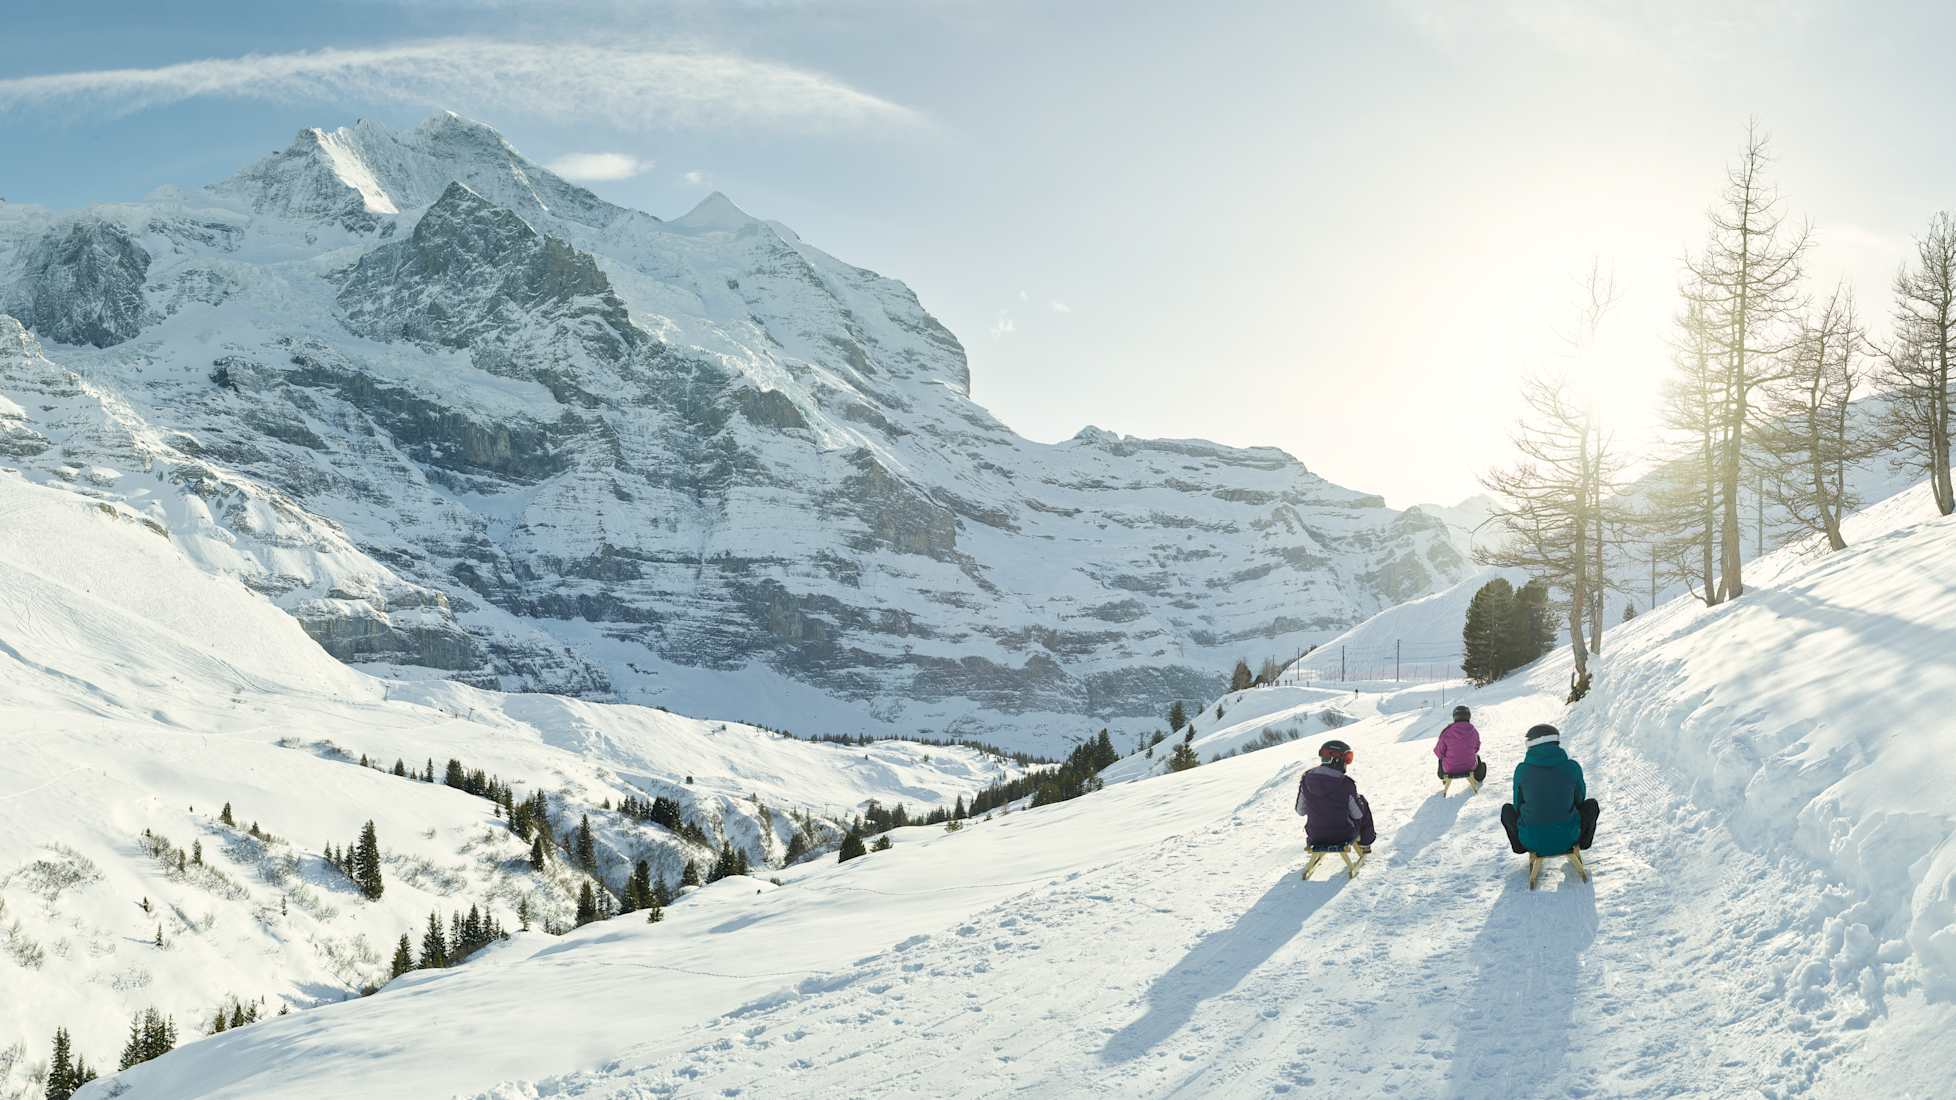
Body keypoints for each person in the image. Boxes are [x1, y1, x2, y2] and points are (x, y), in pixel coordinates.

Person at [1500, 723, 1600, 855]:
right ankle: (1583, 842)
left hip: (1530, 841)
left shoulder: (1522, 770)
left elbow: (1517, 805)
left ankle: (1520, 846)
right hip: (1569, 838)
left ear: (1532, 744)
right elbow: (1579, 799)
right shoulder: (1572, 767)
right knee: (1591, 805)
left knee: (1507, 809)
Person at [1295, 739, 1376, 853]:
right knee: (1361, 801)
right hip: (1343, 836)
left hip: (1315, 836)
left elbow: (1300, 811)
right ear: (1337, 759)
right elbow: (1358, 815)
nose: (1347, 763)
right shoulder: (1345, 783)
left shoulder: (1306, 779)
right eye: (1347, 758)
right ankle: (1365, 843)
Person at [1435, 705, 1486, 786]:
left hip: (1449, 769)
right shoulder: (1473, 731)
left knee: (1440, 759)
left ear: (1455, 717)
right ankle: (1478, 777)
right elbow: (1476, 748)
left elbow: (1438, 752)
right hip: (1470, 766)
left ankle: (1442, 775)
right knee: (1478, 759)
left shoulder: (1447, 732)